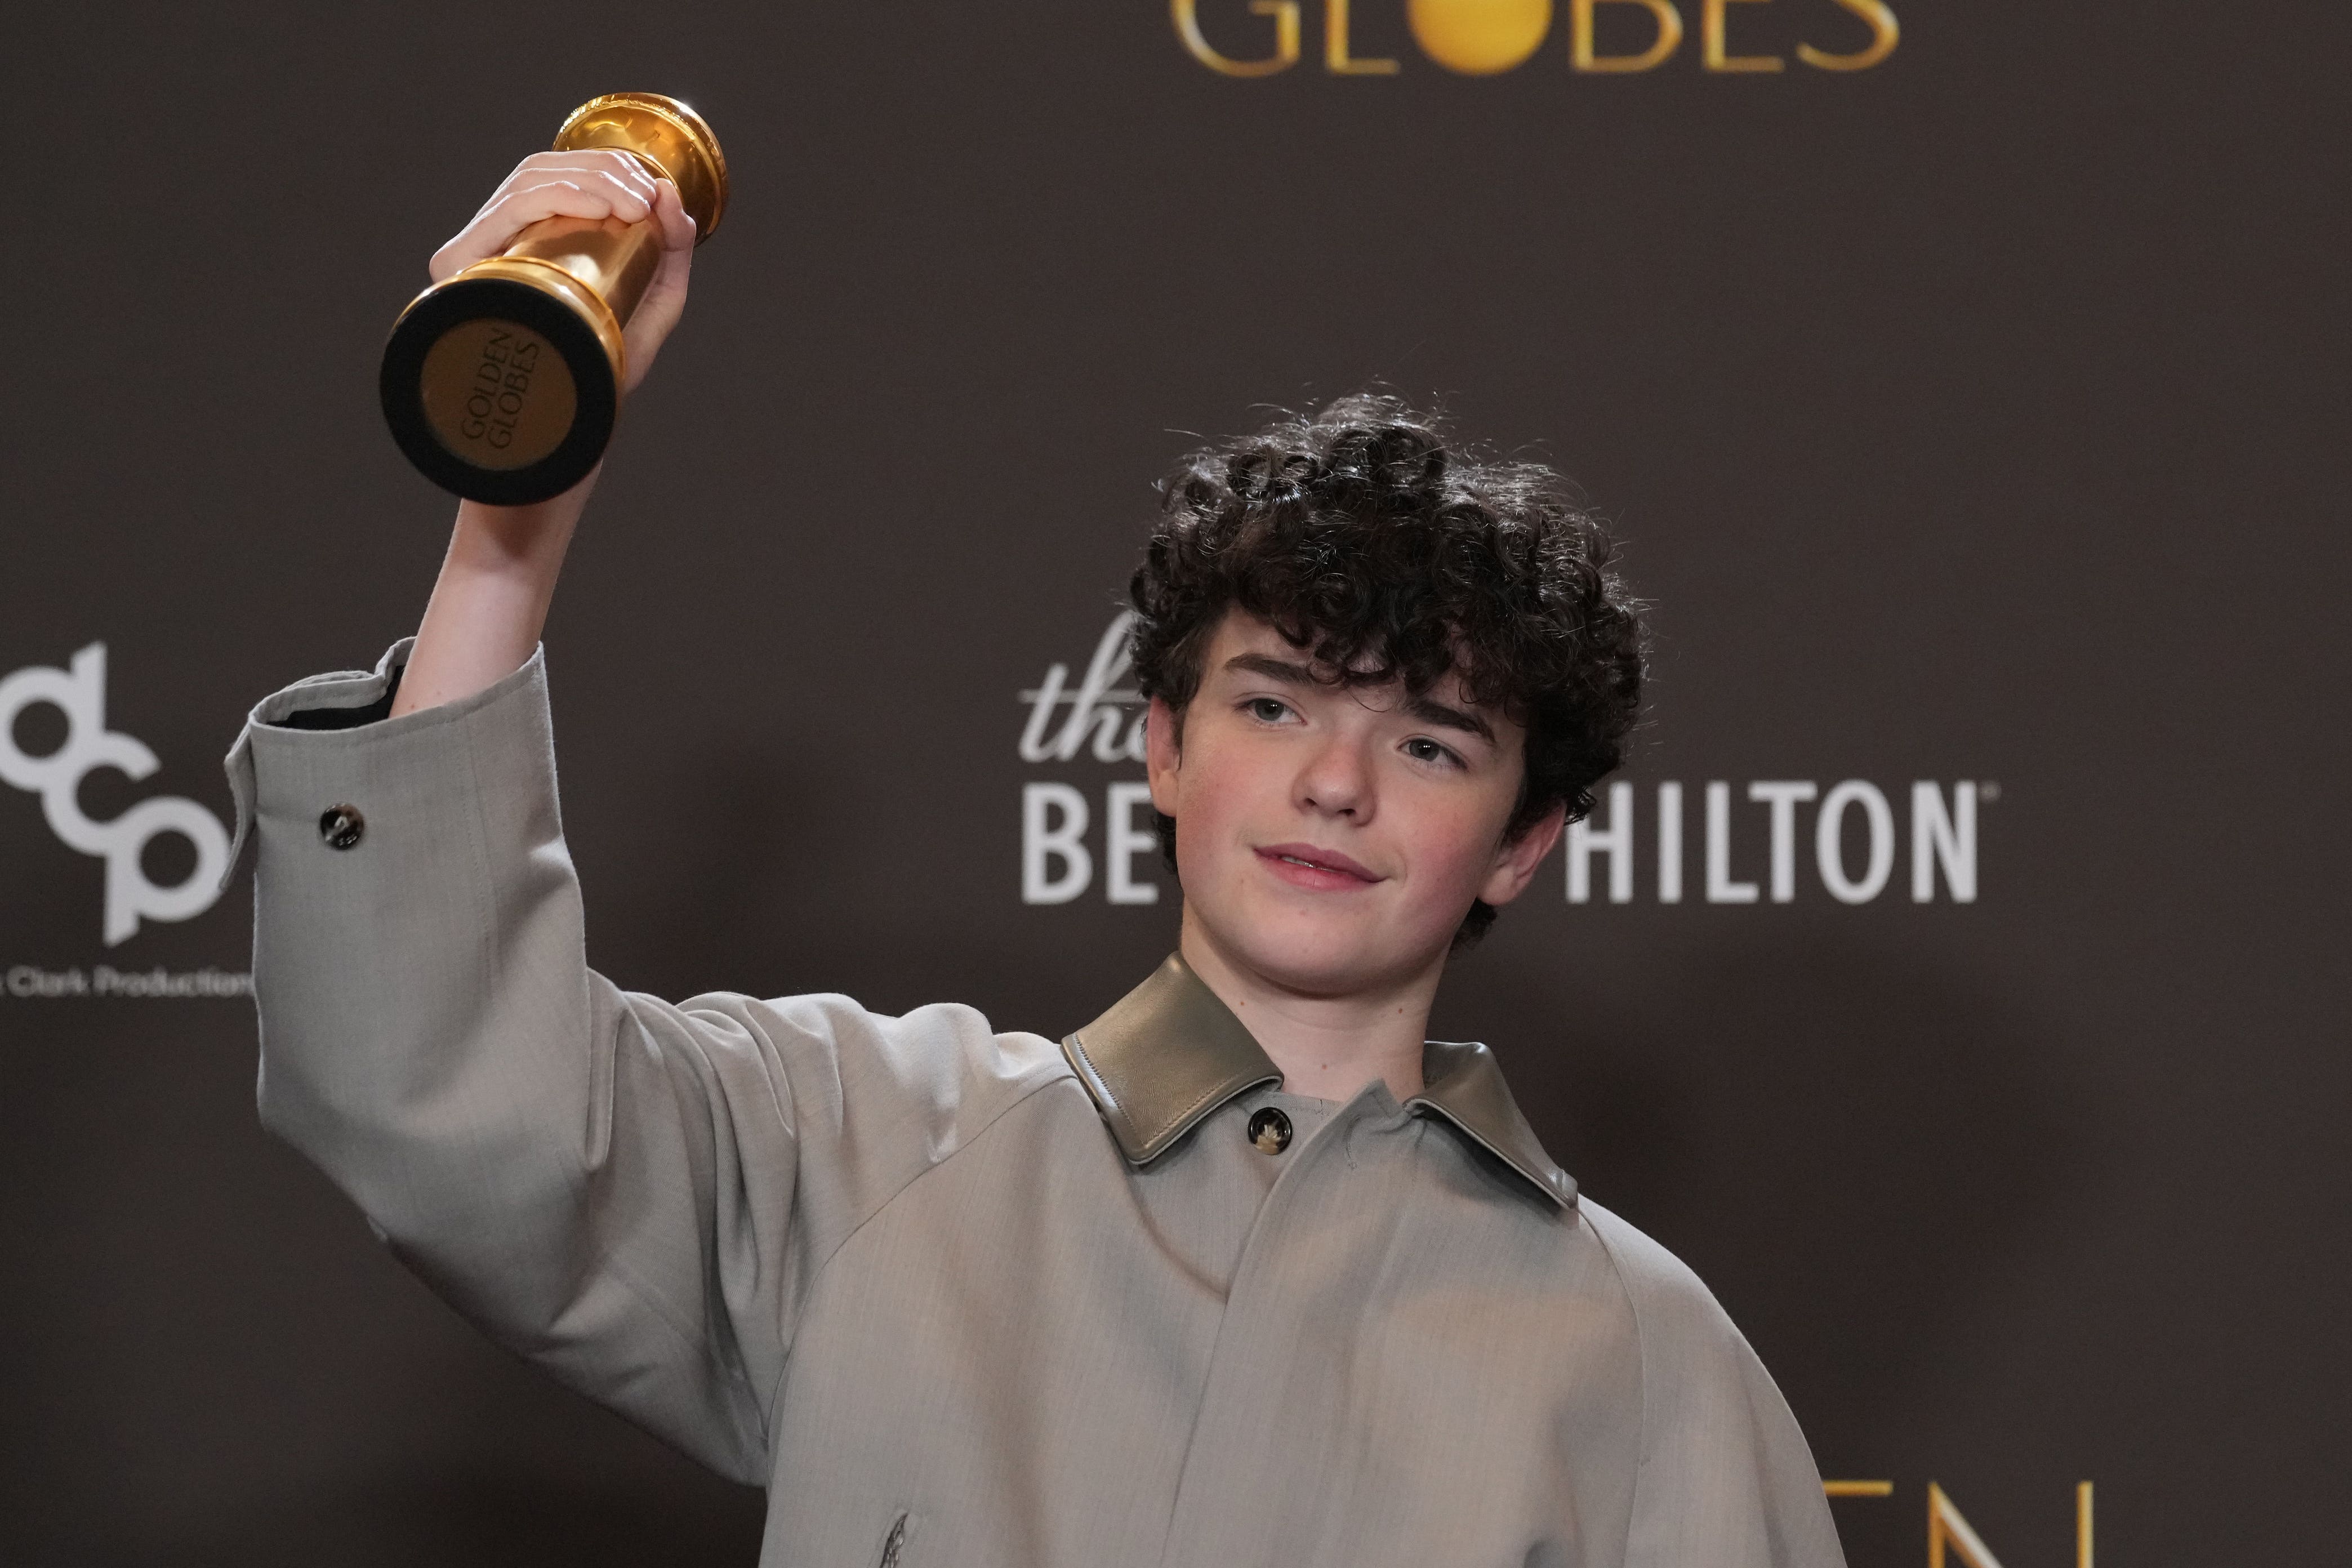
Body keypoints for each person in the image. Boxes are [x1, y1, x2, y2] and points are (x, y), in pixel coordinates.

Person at [225, 148, 1847, 1568]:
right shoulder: (861, 1151)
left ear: (1524, 841)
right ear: (1162, 747)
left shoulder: (1656, 1360)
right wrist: (513, 508)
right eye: (1275, 705)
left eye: (1430, 743)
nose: (1337, 784)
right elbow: (435, 1085)